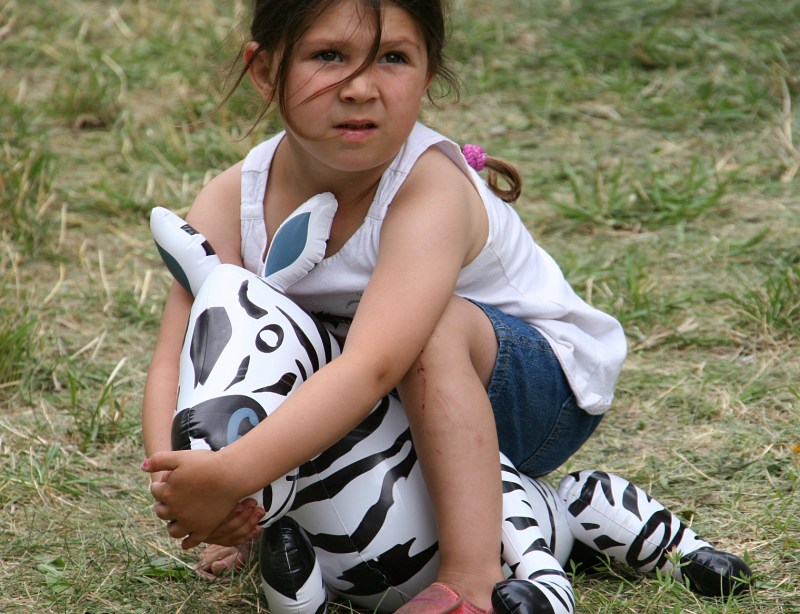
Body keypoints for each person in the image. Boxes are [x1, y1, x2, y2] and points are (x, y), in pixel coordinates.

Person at [141, 0, 627, 611]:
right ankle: (264, 516)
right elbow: (180, 359)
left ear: (427, 77)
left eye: (394, 59)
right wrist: (185, 481)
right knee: (250, 333)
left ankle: (470, 578)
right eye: (328, 57)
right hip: (386, 405)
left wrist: (232, 472)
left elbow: (373, 365)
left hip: (531, 394)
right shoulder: (233, 198)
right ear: (265, 71)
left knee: (429, 330)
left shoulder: (427, 190)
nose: (362, 89)